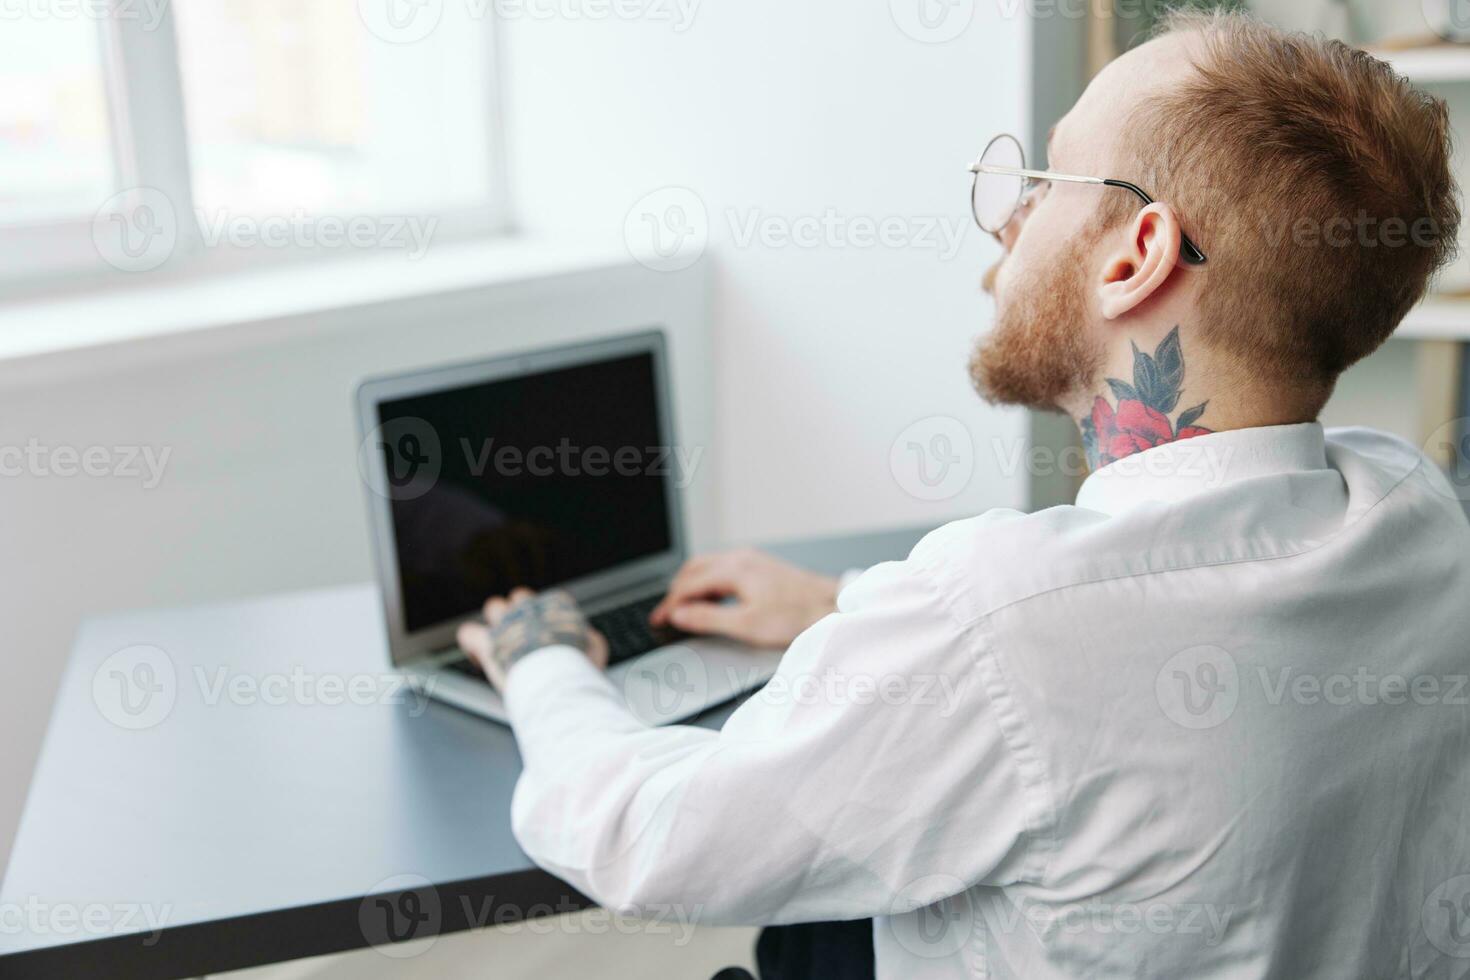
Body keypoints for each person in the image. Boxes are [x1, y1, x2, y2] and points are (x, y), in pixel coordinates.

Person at [454, 10, 1470, 977]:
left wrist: (543, 661)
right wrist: (840, 601)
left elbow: (647, 838)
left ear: (1137, 255)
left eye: (1046, 177)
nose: (1009, 222)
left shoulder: (997, 618)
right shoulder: (1414, 510)